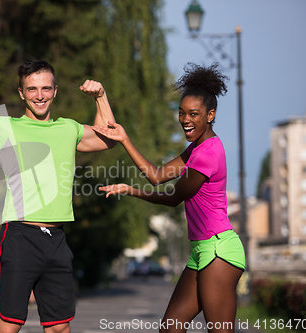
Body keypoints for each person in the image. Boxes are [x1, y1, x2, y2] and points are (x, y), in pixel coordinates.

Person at [0, 60, 116, 333]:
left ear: (55, 91)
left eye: (46, 88)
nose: (40, 95)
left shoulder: (68, 128)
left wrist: (100, 97)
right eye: (32, 89)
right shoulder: (5, 127)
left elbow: (108, 138)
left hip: (57, 240)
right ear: (21, 93)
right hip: (20, 237)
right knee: (8, 327)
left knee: (59, 327)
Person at [93, 63, 245, 333]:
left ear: (210, 115)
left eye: (194, 114)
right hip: (202, 251)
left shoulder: (207, 154)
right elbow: (157, 175)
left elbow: (173, 197)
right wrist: (125, 139)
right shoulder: (195, 149)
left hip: (219, 250)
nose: (185, 119)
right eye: (182, 113)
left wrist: (132, 191)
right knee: (170, 328)